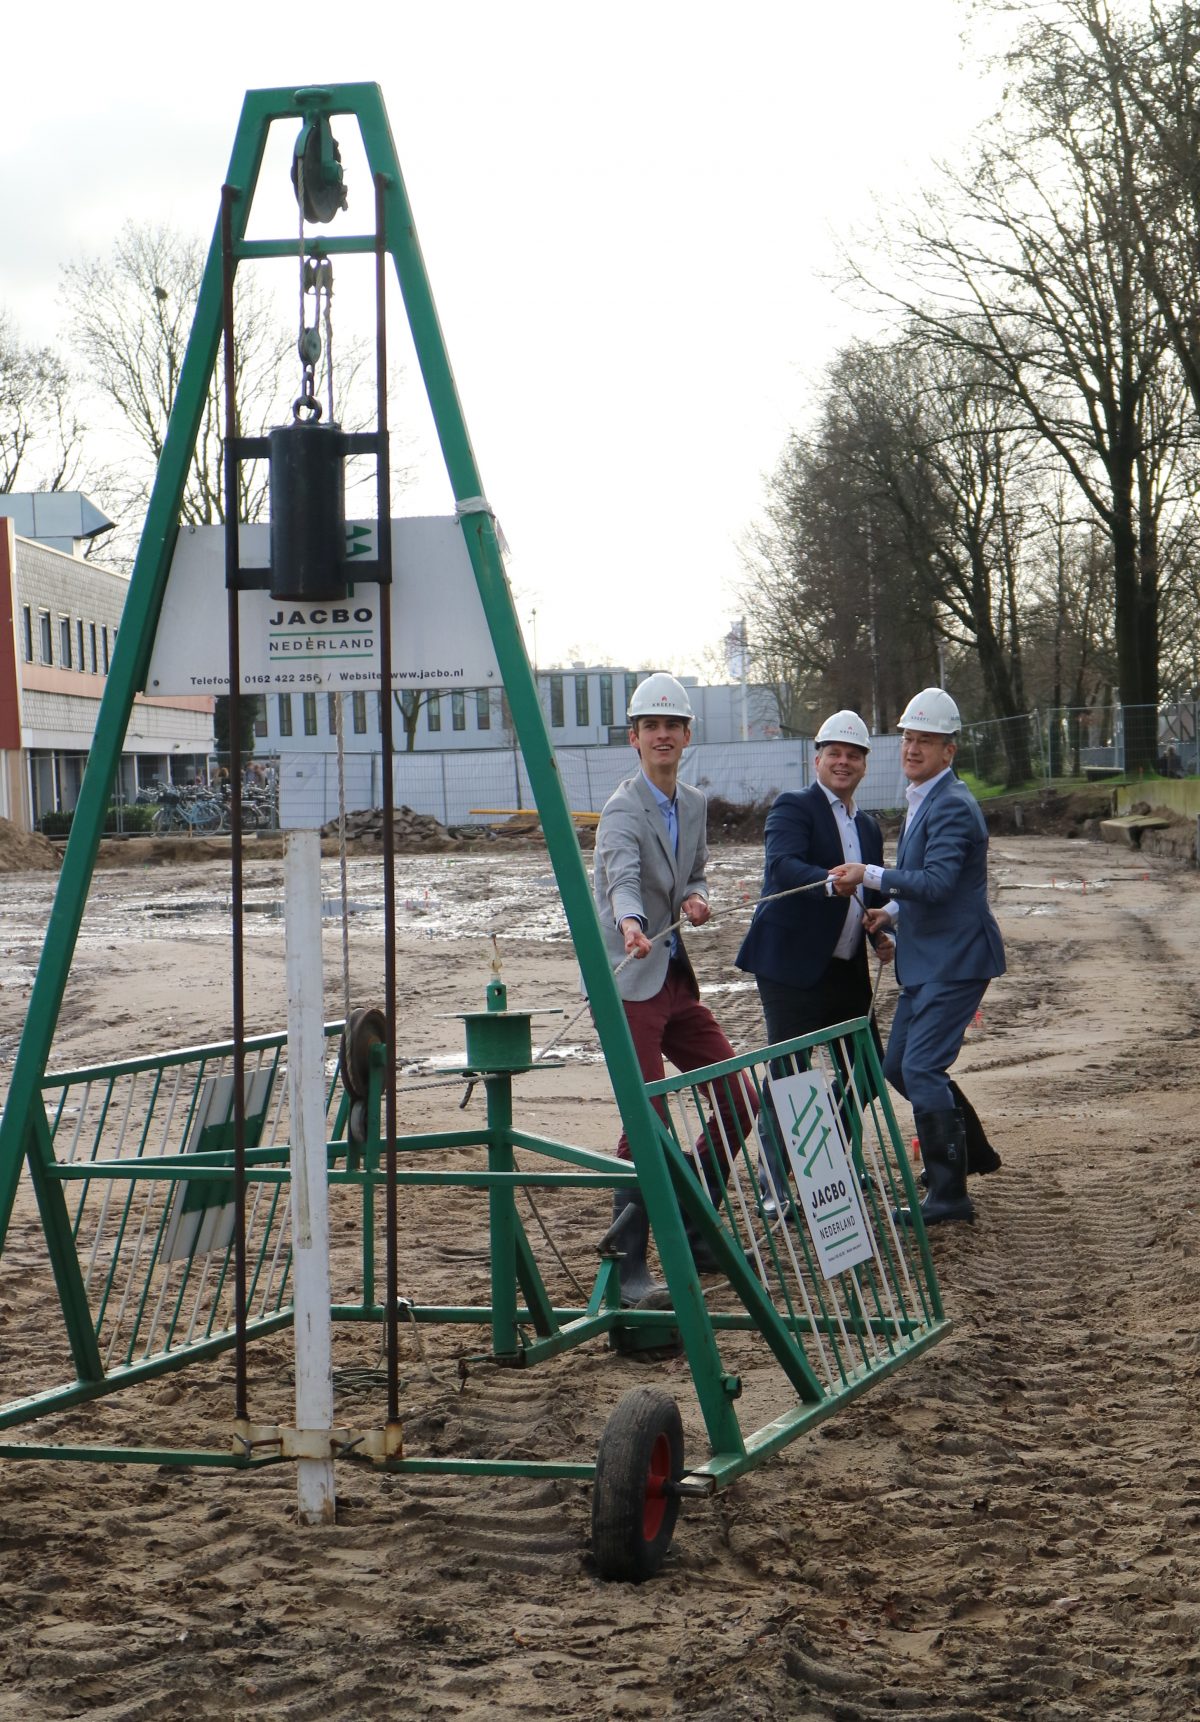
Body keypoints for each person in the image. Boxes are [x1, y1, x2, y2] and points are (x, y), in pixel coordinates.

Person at [593, 672, 757, 1298]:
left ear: (687, 735)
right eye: (650, 727)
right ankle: (628, 1268)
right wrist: (633, 923)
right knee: (648, 1117)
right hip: (630, 979)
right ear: (634, 738)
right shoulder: (619, 811)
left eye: (672, 726)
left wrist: (695, 899)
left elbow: (696, 875)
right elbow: (621, 881)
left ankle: (691, 1219)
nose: (662, 735)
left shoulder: (691, 804)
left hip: (675, 978)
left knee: (740, 1099)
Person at [829, 687, 1006, 1226]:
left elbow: (940, 880)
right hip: (928, 957)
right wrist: (894, 915)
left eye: (925, 741)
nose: (912, 748)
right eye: (908, 738)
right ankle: (969, 1153)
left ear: (948, 750)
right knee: (898, 1066)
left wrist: (871, 876)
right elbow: (933, 888)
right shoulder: (925, 798)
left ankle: (950, 1193)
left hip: (956, 960)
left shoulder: (951, 805)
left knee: (923, 1067)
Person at [734, 711, 893, 1206]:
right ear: (817, 758)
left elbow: (864, 892)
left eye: (853, 755)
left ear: (864, 764)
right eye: (835, 754)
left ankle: (833, 1163)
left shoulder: (867, 827)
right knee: (790, 1071)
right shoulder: (793, 807)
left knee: (866, 1071)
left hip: (846, 968)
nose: (843, 762)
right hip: (791, 966)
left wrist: (878, 934)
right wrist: (830, 881)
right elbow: (783, 867)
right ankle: (773, 1182)